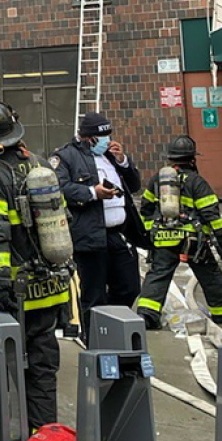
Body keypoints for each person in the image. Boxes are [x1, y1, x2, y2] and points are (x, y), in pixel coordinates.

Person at [0, 94, 68, 431]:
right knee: (42, 369)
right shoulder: (38, 164)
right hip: (49, 288)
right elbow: (63, 220)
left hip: (14, 294)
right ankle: (44, 439)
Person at [51, 111, 144, 340]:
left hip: (118, 234)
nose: (106, 141)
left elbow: (134, 186)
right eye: (101, 137)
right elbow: (60, 188)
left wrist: (123, 161)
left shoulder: (110, 156)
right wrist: (93, 192)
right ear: (87, 137)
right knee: (93, 294)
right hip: (89, 235)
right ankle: (95, 339)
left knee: (129, 286)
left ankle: (112, 325)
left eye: (108, 136)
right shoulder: (66, 157)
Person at [137, 135, 222, 331]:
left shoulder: (157, 180)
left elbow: (145, 208)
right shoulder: (197, 182)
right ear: (192, 159)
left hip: (163, 239)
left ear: (171, 158)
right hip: (192, 241)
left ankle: (147, 314)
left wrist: (150, 235)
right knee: (210, 275)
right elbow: (211, 214)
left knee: (158, 274)